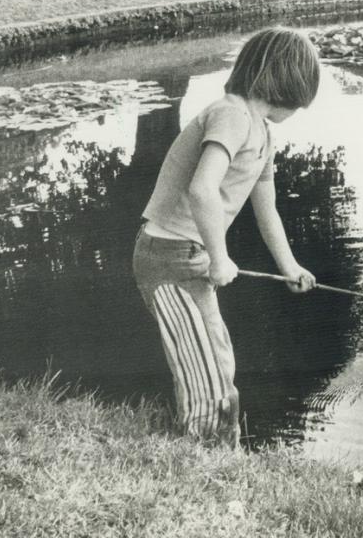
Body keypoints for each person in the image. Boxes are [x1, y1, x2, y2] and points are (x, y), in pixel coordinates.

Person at [132, 27, 320, 447]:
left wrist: (290, 267)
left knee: (217, 360)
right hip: (167, 255)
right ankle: (206, 454)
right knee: (205, 370)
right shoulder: (231, 114)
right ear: (287, 80)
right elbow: (202, 188)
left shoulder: (264, 134)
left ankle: (220, 449)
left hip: (187, 255)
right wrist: (219, 258)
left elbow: (265, 208)